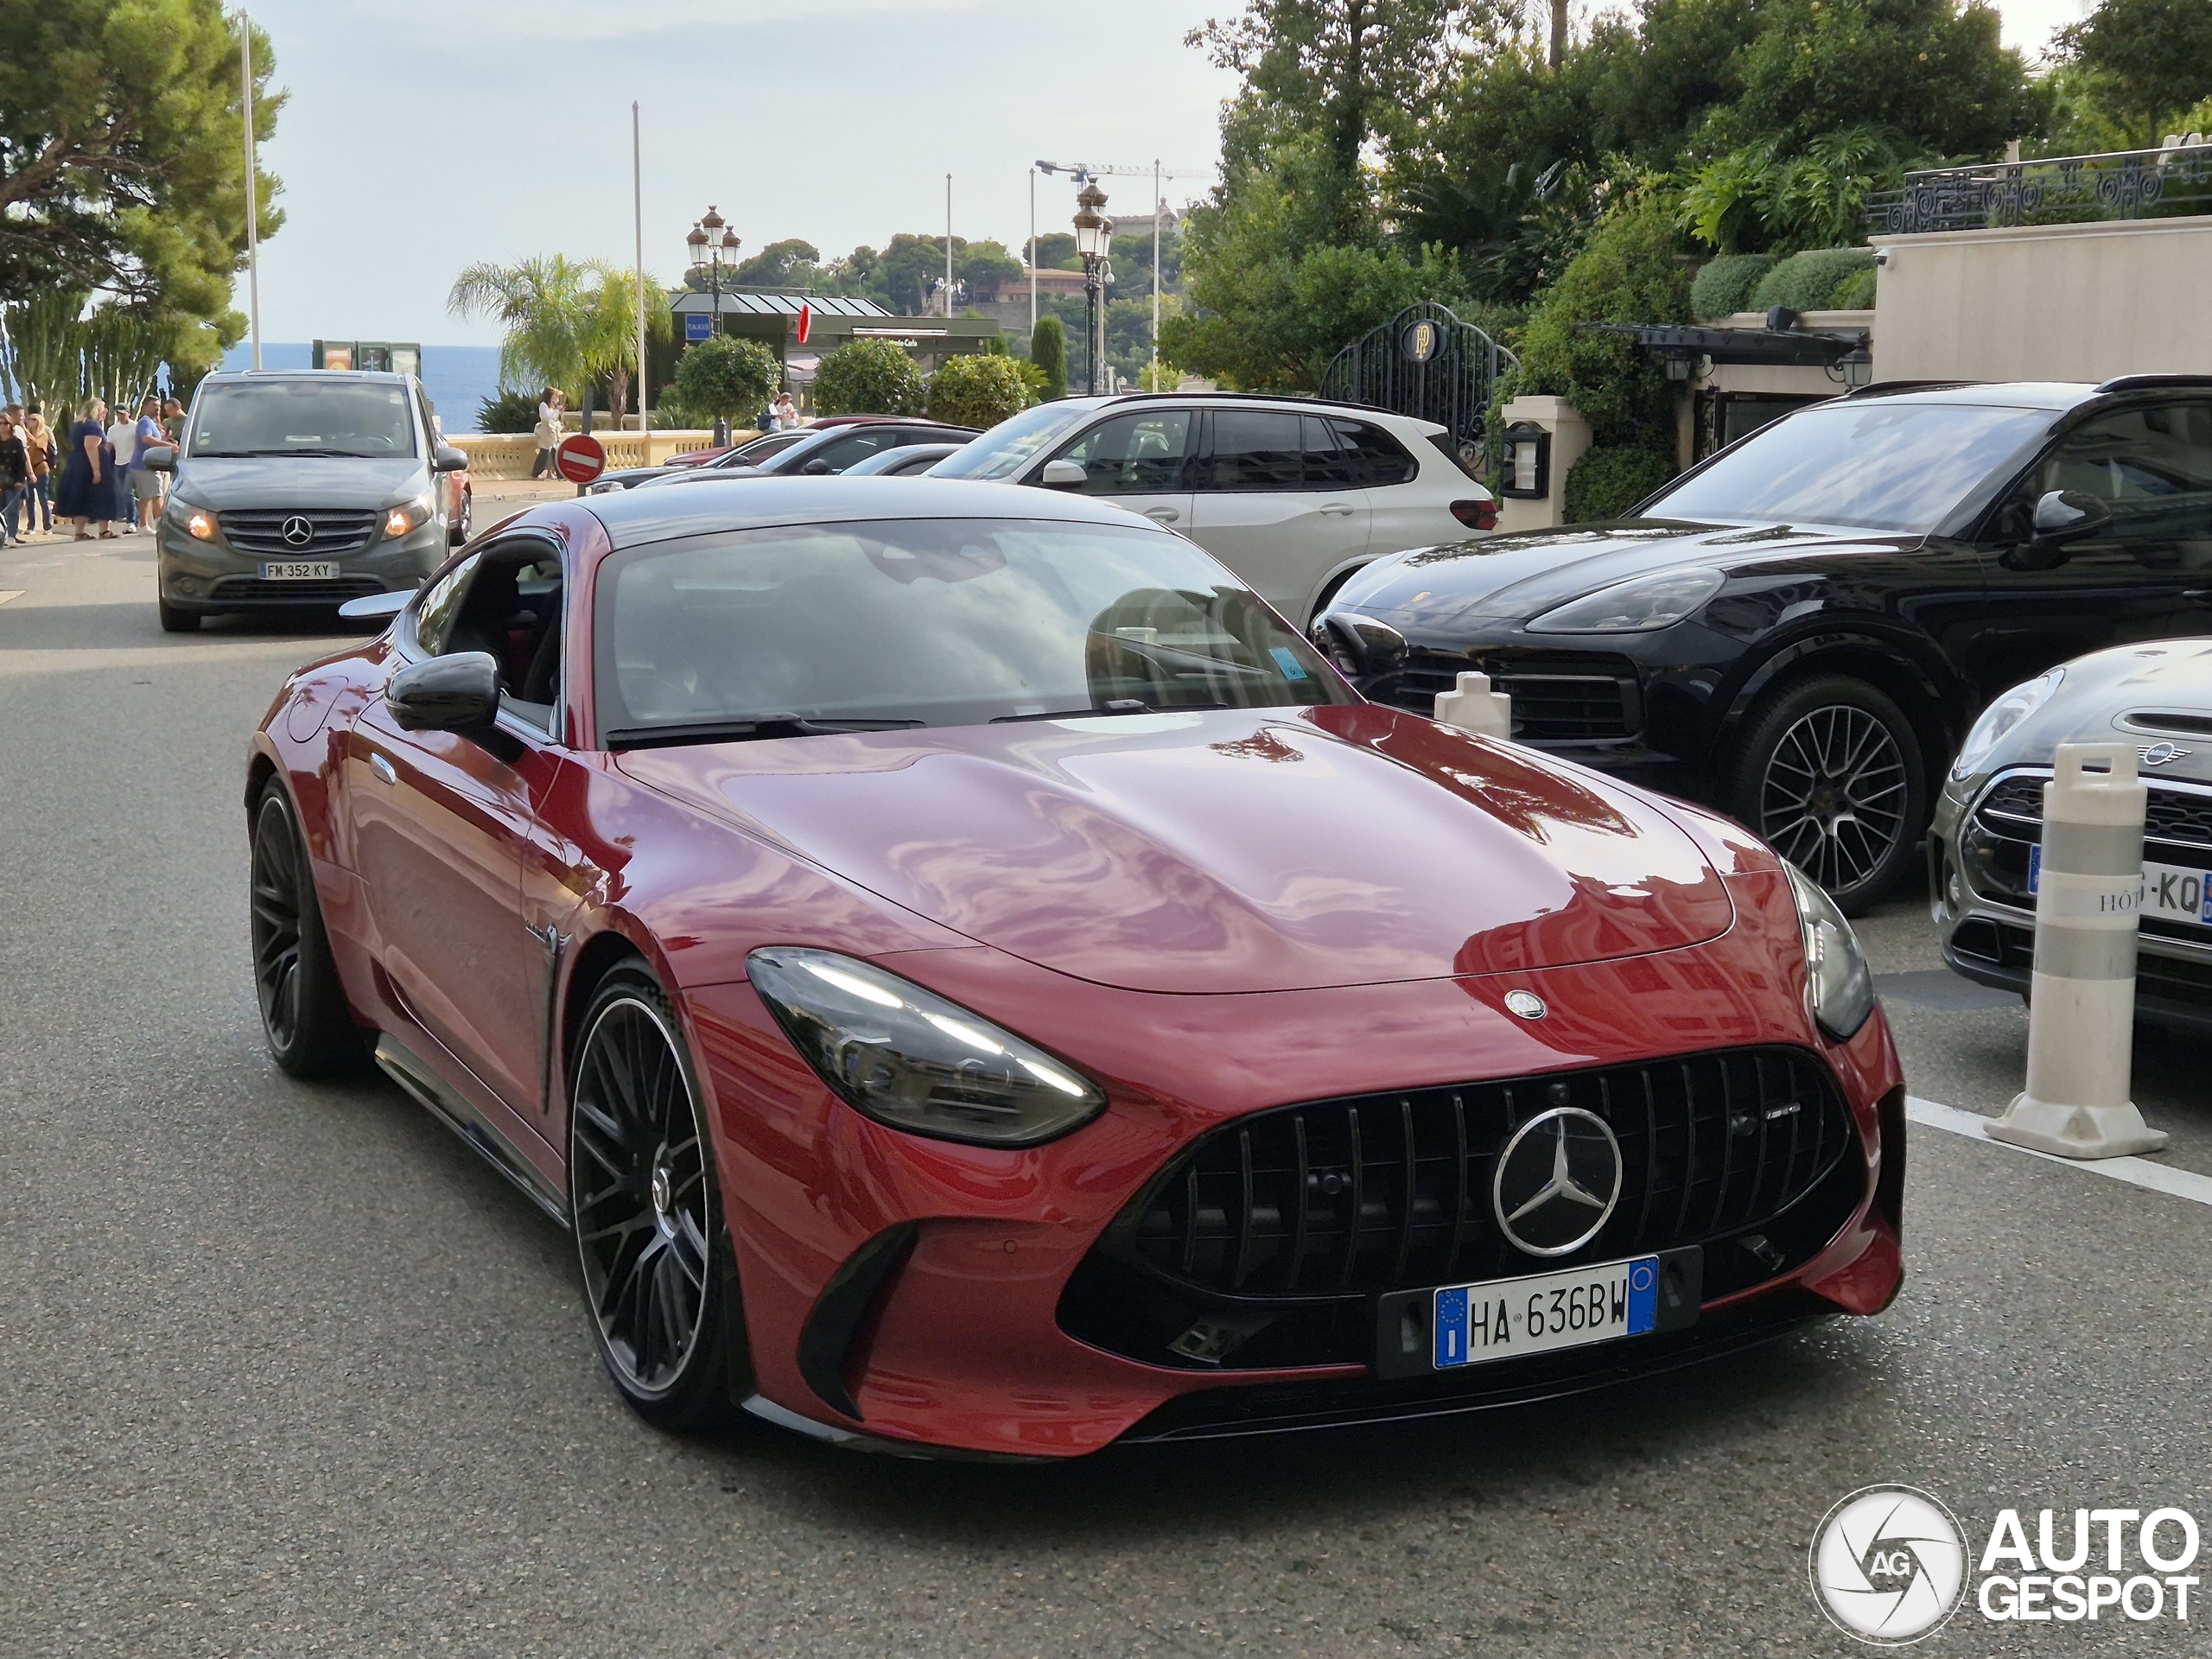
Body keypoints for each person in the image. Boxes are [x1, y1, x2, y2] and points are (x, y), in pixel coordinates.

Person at [54, 397, 122, 539]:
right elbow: (90, 446)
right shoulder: (92, 425)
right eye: (103, 409)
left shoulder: (79, 425)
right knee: (103, 495)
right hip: (90, 464)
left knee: (82, 497)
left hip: (77, 464)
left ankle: (79, 532)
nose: (105, 412)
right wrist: (96, 471)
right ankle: (104, 530)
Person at [22, 403, 55, 536]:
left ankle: (48, 526)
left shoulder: (43, 434)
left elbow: (37, 444)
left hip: (41, 468)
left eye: (34, 420)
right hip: (29, 470)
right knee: (30, 500)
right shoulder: (25, 436)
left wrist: (24, 430)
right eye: (30, 419)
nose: (31, 422)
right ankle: (31, 526)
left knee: (43, 498)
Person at [131, 397, 166, 531]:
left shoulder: (151, 423)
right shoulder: (145, 422)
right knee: (157, 495)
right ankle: (162, 527)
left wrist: (164, 439)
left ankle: (144, 526)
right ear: (146, 407)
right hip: (147, 465)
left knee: (145, 497)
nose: (157, 408)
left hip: (144, 465)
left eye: (158, 405)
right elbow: (146, 439)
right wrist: (169, 445)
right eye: (154, 405)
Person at [105, 401, 140, 531]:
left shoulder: (135, 427)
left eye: (122, 413)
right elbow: (109, 446)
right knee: (123, 493)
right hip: (118, 463)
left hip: (132, 462)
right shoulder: (113, 429)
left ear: (128, 414)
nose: (120, 416)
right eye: (118, 414)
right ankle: (136, 518)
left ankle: (131, 521)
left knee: (127, 492)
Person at [0, 412, 29, 548]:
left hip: (12, 479)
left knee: (12, 509)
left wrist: (20, 479)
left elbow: (21, 462)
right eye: (0, 424)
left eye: (5, 423)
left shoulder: (16, 442)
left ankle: (11, 535)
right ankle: (3, 535)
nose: (2, 427)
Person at [531, 387, 564, 478]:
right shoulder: (543, 405)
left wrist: (558, 411)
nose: (555, 398)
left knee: (554, 452)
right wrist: (557, 410)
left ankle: (560, 474)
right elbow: (547, 417)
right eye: (554, 395)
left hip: (552, 432)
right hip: (546, 431)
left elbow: (553, 417)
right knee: (545, 452)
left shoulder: (551, 406)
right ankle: (536, 473)